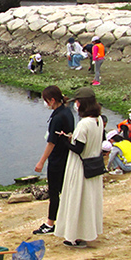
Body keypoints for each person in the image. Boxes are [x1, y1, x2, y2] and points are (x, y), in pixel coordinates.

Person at [54, 87, 105, 248]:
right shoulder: (99, 120)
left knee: (76, 199)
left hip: (80, 166)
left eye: (76, 102)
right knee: (89, 201)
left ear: (81, 103)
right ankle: (87, 231)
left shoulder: (84, 124)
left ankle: (73, 236)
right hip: (93, 163)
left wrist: (64, 141)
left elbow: (78, 149)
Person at [32, 85, 74, 236]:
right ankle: (68, 218)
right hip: (68, 155)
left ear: (52, 100)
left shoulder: (57, 118)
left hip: (57, 158)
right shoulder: (67, 112)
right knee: (65, 189)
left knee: (54, 191)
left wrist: (41, 162)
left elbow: (51, 142)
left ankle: (50, 223)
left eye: (46, 100)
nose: (45, 103)